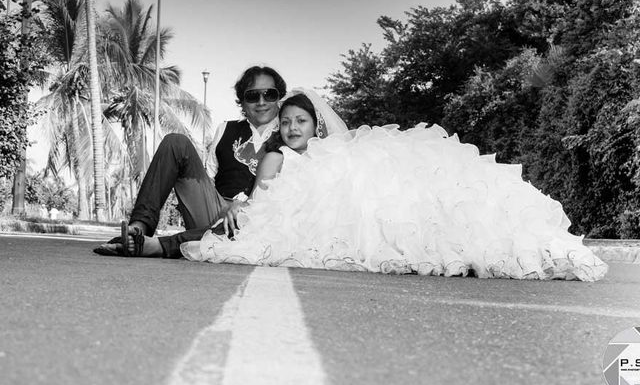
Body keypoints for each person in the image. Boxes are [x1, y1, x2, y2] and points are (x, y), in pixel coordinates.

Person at [180, 88, 608, 282]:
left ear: (317, 125)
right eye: (287, 121)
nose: (292, 127)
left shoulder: (336, 154)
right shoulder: (274, 156)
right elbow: (262, 201)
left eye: (301, 121)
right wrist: (240, 206)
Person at [93, 65, 287, 258]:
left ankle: (154, 246)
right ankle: (140, 228)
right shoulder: (225, 129)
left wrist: (245, 207)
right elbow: (208, 179)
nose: (261, 102)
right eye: (253, 96)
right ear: (242, 102)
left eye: (269, 94)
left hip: (256, 221)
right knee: (175, 142)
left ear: (279, 98)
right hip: (215, 212)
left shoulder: (289, 134)